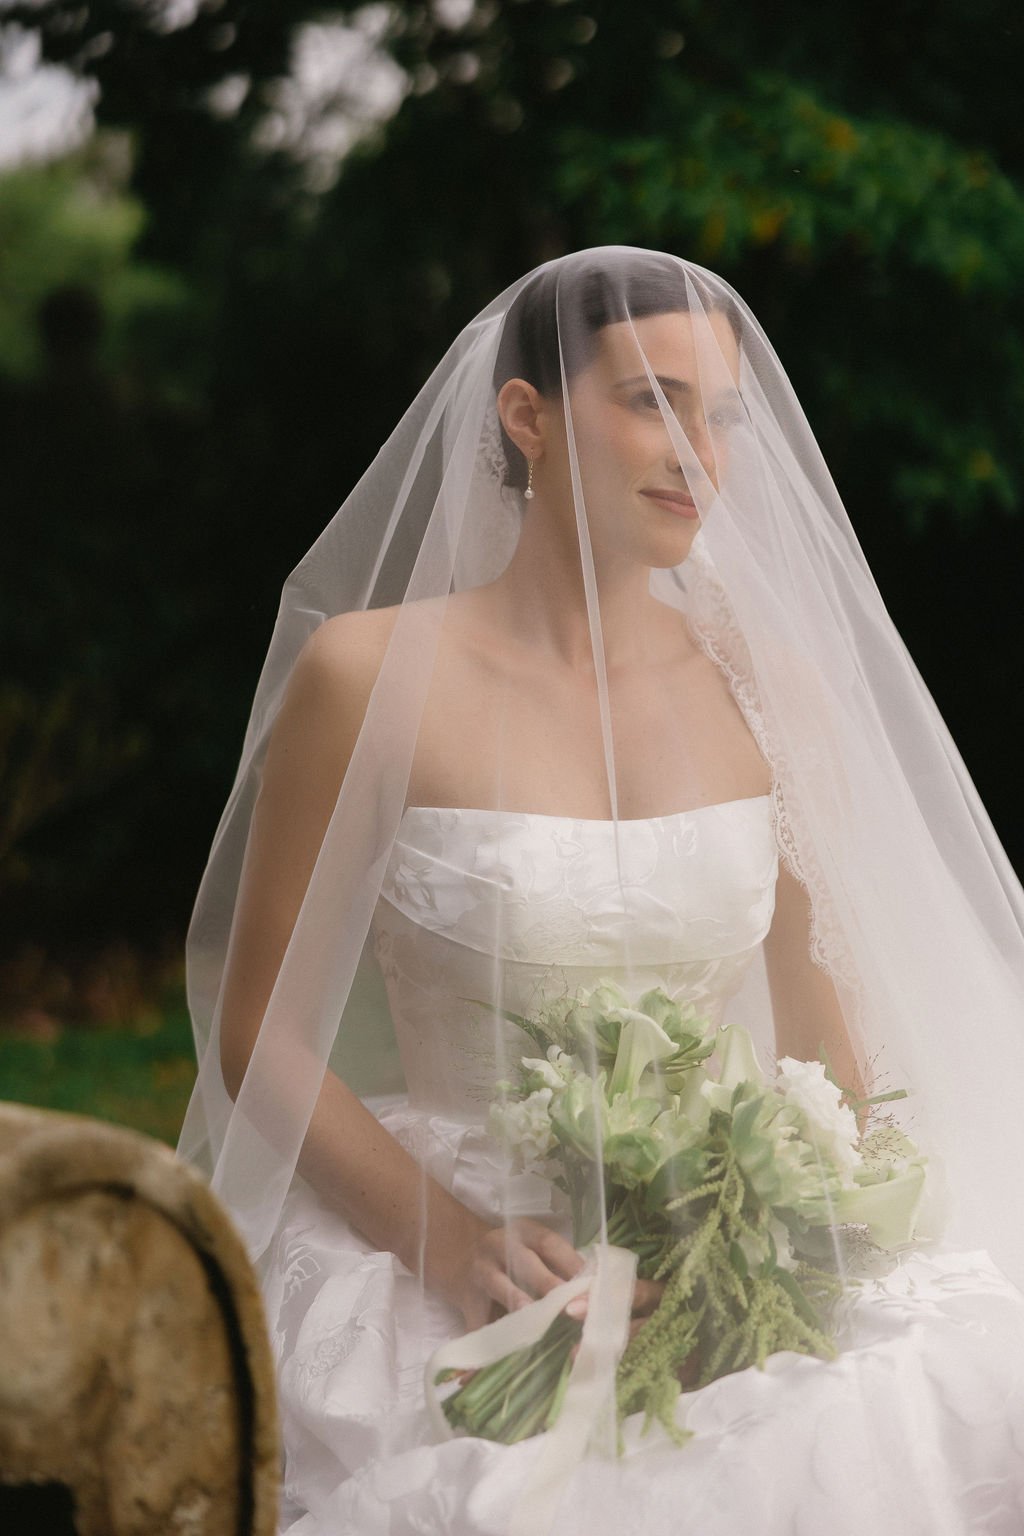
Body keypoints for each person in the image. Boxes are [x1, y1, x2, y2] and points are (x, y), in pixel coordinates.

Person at [179, 246, 1024, 1536]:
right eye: (651, 400)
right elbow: (259, 1034)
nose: (700, 454)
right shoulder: (370, 676)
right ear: (526, 416)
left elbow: (817, 1024)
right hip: (465, 1243)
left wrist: (808, 1240)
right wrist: (453, 1241)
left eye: (722, 415)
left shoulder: (767, 687)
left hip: (726, 1232)